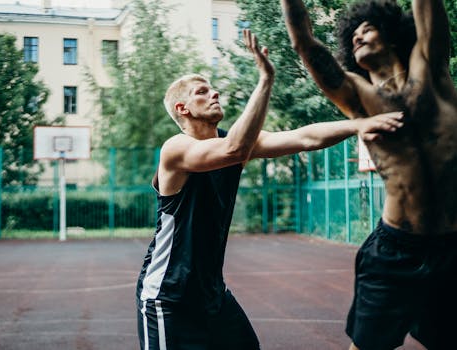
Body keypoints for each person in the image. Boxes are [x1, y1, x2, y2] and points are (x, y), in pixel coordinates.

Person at [135, 29, 404, 350]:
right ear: (183, 109)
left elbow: (305, 137)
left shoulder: (234, 143)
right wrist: (265, 80)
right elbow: (234, 150)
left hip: (212, 294)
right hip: (169, 297)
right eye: (202, 92)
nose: (215, 93)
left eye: (213, 89)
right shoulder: (176, 149)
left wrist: (359, 125)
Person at [279, 0, 457, 349]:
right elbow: (304, 42)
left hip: (452, 247)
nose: (358, 35)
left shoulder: (432, 72)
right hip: (396, 252)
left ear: (391, 35)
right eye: (354, 34)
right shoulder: (359, 98)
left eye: (367, 29)